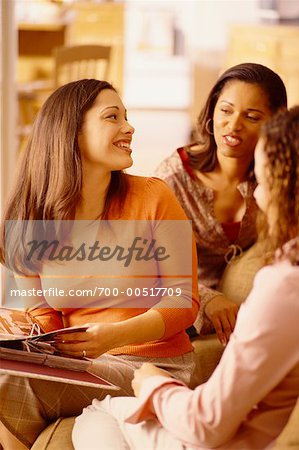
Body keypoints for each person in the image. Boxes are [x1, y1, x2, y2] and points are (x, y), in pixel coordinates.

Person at [72, 104, 299, 450]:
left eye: (265, 177)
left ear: (294, 187)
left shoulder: (285, 288)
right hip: (245, 423)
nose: (254, 191)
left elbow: (206, 424)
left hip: (237, 440)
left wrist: (153, 384)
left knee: (100, 411)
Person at [0, 79, 199, 449]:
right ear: (71, 133)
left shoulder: (153, 198)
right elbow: (42, 310)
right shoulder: (30, 217)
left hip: (153, 364)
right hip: (79, 365)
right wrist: (33, 341)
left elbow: (183, 301)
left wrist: (113, 337)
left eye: (126, 116)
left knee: (14, 383)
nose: (129, 126)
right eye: (113, 117)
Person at [155, 63, 287, 342]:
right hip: (181, 298)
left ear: (276, 121)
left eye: (251, 116)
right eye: (226, 110)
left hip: (246, 295)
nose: (234, 125)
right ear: (212, 111)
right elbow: (149, 265)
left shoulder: (273, 176)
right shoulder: (173, 179)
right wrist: (206, 298)